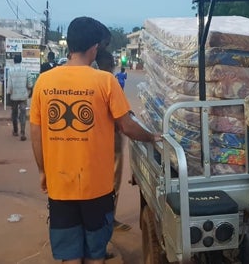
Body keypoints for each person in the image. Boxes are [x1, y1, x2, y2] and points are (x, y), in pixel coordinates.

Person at [30, 16, 161, 264]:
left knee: (70, 256)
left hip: (60, 184)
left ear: (69, 45)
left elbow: (36, 134)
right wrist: (151, 136)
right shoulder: (105, 81)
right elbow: (127, 126)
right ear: (94, 47)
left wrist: (42, 171)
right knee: (95, 255)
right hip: (97, 188)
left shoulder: (44, 82)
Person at [95, 49, 132, 232]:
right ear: (110, 66)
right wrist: (150, 136)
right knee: (112, 182)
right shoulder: (110, 83)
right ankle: (108, 221)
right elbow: (125, 121)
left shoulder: (90, 83)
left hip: (94, 144)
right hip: (112, 142)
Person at [7, 54, 32, 141]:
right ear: (21, 60)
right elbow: (29, 83)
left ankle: (15, 130)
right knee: (23, 114)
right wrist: (29, 91)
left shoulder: (10, 70)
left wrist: (9, 93)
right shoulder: (25, 70)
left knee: (14, 113)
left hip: (14, 95)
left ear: (14, 61)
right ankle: (23, 132)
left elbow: (9, 85)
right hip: (23, 95)